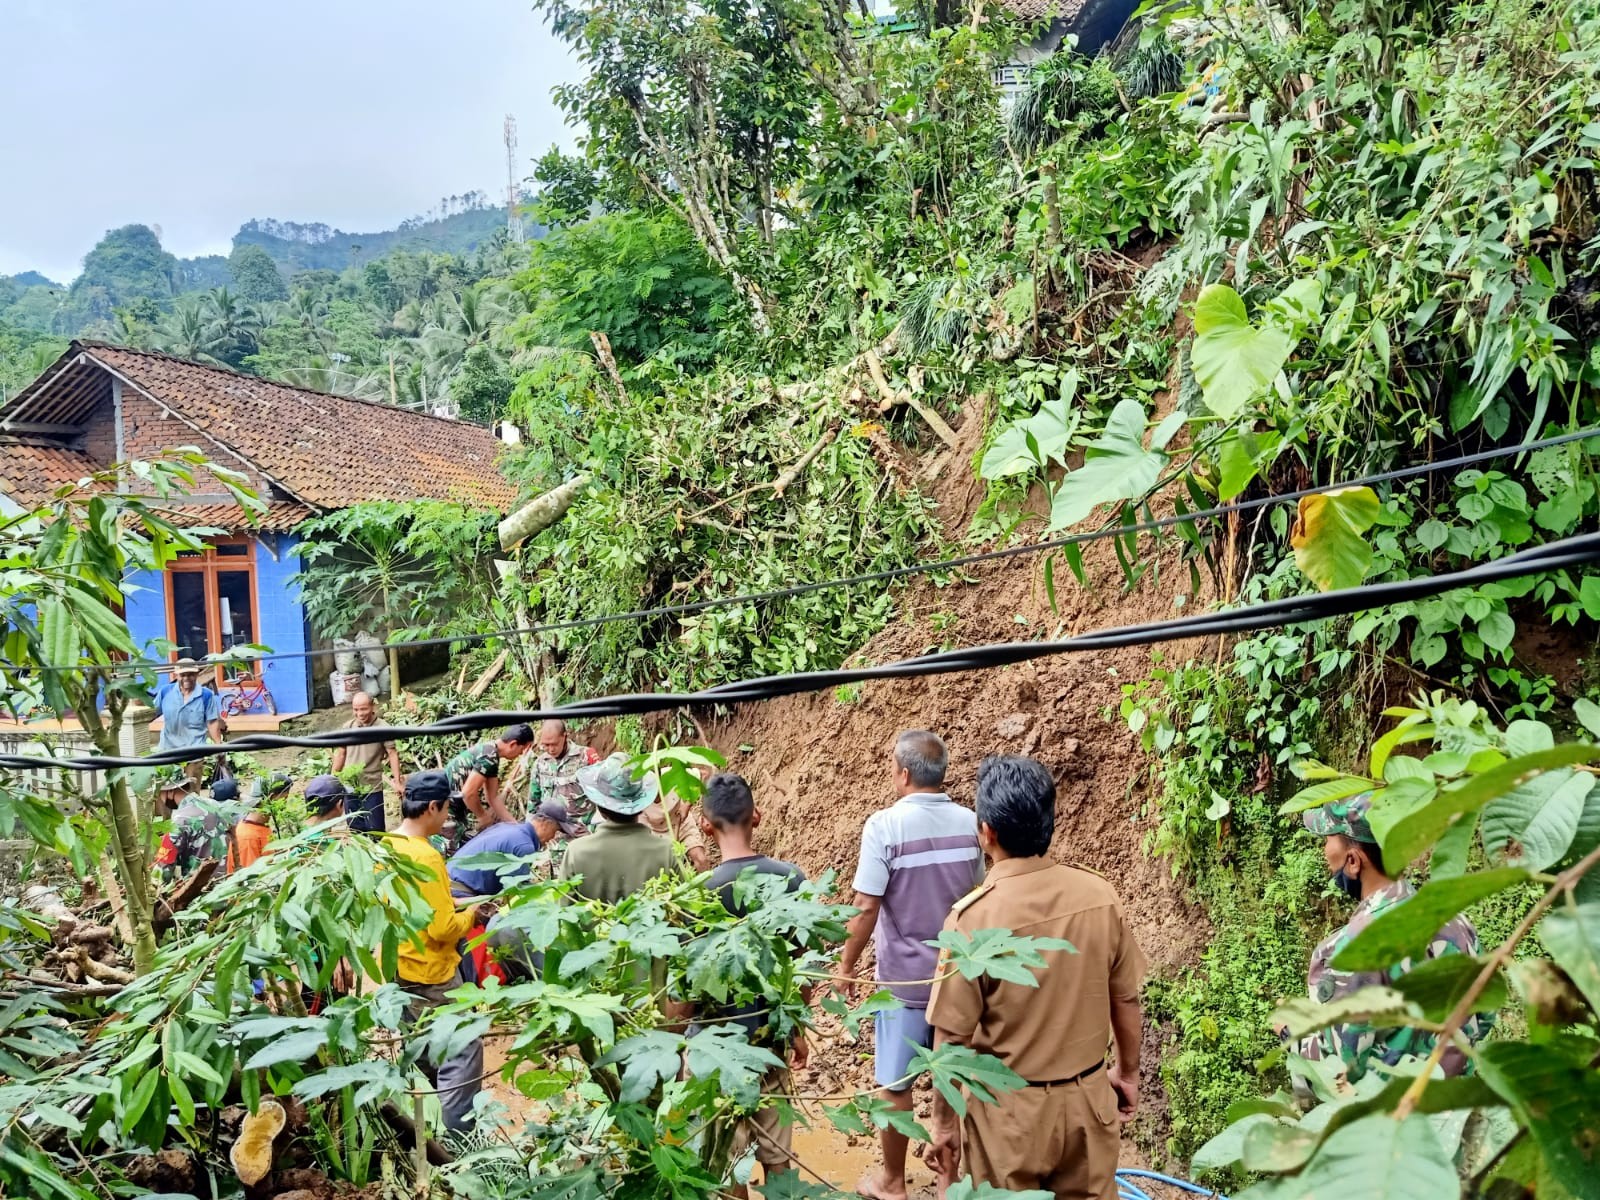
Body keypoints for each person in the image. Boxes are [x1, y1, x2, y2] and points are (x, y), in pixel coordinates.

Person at [926, 756, 1146, 1200]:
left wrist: (944, 1126)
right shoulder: (1100, 896)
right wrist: (1127, 1073)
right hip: (1088, 1100)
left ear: (986, 832)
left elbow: (951, 1042)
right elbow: (1126, 999)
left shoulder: (971, 921)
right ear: (1050, 822)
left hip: (1005, 1117)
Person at [839, 730, 983, 1200]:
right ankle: (949, 1182)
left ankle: (894, 1182)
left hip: (904, 981)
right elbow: (979, 896)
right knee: (951, 1076)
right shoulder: (971, 823)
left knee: (894, 1083)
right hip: (957, 977)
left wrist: (844, 968)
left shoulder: (884, 827)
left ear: (902, 774)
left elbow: (866, 907)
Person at [1295, 795, 1486, 1088]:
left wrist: (1292, 1035)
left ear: (1353, 861)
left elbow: (1339, 1070)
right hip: (1459, 1110)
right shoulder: (1454, 918)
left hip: (1398, 1122)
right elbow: (1483, 1017)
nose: (1324, 851)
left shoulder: (1353, 949)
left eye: (1329, 839)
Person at [693, 772, 810, 1187]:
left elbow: (687, 984)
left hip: (715, 1048)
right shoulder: (790, 878)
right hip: (770, 1039)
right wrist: (796, 1027)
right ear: (756, 817)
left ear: (705, 824)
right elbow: (803, 963)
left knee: (726, 1168)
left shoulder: (698, 892)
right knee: (777, 1156)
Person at [388, 770, 494, 1133]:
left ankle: (426, 1135)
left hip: (399, 968)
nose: (447, 815)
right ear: (431, 807)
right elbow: (441, 929)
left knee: (423, 1055)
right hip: (433, 972)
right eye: (446, 807)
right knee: (463, 1053)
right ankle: (457, 1144)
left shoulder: (387, 845)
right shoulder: (427, 856)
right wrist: (472, 914)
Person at [558, 753, 676, 903]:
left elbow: (563, 913)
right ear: (641, 806)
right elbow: (683, 910)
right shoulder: (666, 851)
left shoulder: (576, 852)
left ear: (599, 805)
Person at [448, 800, 583, 898]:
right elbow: (517, 894)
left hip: (446, 881)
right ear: (546, 824)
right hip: (460, 891)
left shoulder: (508, 827)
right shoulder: (524, 846)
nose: (553, 836)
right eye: (556, 830)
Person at [444, 724, 536, 848]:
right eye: (521, 750)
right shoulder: (489, 756)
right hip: (446, 812)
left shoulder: (491, 753)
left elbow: (492, 798)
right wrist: (483, 816)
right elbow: (468, 793)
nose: (520, 755)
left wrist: (515, 826)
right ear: (513, 744)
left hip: (455, 812)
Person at [332, 692, 404, 833]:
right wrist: (332, 780)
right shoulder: (348, 727)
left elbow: (392, 753)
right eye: (356, 709)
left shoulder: (383, 728)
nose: (360, 713)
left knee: (375, 829)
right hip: (350, 785)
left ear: (373, 707)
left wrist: (397, 782)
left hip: (372, 786)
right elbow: (341, 753)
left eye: (363, 709)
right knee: (355, 828)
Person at [154, 659, 222, 787]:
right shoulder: (165, 692)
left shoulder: (206, 695)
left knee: (190, 796)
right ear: (176, 675)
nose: (187, 678)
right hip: (168, 752)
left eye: (190, 674)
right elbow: (151, 714)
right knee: (166, 794)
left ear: (197, 674)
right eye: (183, 675)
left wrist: (219, 746)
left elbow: (212, 722)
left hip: (194, 754)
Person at [157, 775, 236, 881]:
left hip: (200, 887)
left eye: (160, 794)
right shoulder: (215, 805)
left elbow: (163, 871)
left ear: (170, 792)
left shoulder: (180, 821)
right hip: (228, 881)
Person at [643, 764, 711, 872]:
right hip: (657, 835)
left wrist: (687, 804)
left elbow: (704, 774)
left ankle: (709, 887)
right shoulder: (637, 798)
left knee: (700, 859)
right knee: (669, 871)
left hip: (683, 823)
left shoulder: (672, 775)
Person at [530, 719, 600, 823]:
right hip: (551, 833)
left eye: (554, 744)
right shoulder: (540, 763)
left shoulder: (586, 757)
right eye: (546, 745)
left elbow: (603, 796)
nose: (551, 749)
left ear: (565, 736)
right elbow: (533, 802)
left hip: (581, 831)